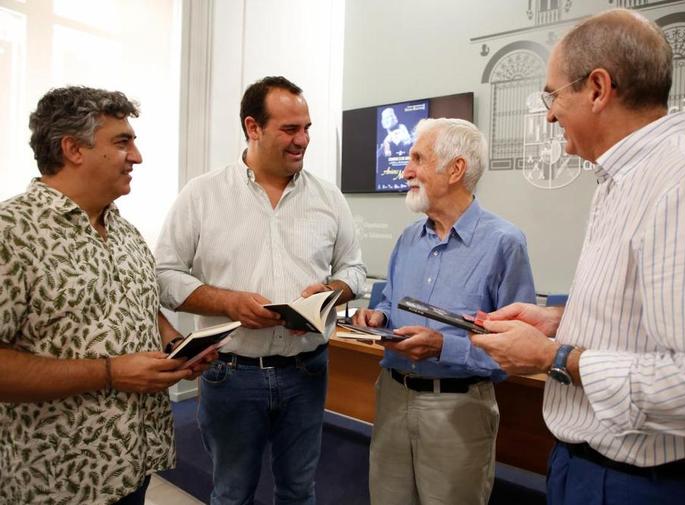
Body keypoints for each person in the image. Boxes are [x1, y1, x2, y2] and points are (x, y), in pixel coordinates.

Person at [471, 9, 685, 505]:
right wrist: (558, 321)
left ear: (599, 89)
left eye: (553, 94)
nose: (549, 113)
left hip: (648, 486)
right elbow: (648, 319)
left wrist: (554, 357)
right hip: (585, 470)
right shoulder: (622, 182)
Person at [154, 76, 366, 505]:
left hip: (306, 370)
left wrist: (331, 291)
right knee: (232, 494)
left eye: (307, 128)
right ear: (253, 127)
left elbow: (355, 269)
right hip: (230, 374)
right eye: (290, 129)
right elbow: (164, 275)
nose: (302, 140)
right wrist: (228, 301)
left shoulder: (328, 197)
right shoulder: (203, 195)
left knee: (298, 491)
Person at [0, 86, 207, 505]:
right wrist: (110, 372)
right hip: (54, 481)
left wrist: (173, 343)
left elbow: (142, 308)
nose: (137, 156)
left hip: (132, 464)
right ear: (73, 148)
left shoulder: (126, 232)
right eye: (122, 142)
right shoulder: (11, 233)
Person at [353, 117, 536, 505]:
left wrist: (443, 348)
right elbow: (388, 302)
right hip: (392, 398)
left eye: (418, 158)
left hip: (458, 410)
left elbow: (519, 352)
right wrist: (379, 318)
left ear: (456, 169)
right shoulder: (407, 239)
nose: (405, 171)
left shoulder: (505, 244)